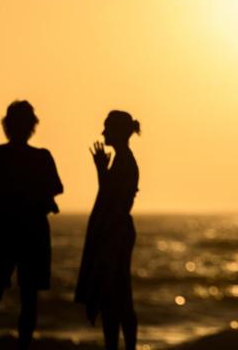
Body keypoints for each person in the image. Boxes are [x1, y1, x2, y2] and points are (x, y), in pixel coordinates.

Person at [0, 100, 63, 350]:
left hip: (7, 232)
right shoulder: (39, 157)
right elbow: (56, 187)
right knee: (24, 298)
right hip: (27, 233)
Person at [75, 110, 141, 350]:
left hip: (115, 233)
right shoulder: (121, 160)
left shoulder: (125, 161)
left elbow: (113, 199)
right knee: (111, 296)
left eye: (107, 128)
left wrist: (100, 170)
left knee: (118, 296)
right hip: (114, 231)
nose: (103, 133)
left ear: (118, 131)